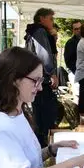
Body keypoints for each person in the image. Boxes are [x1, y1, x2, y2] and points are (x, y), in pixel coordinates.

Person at [24, 8, 59, 147]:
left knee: (40, 113)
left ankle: (41, 142)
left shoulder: (35, 31)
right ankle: (43, 144)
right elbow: (44, 56)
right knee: (46, 115)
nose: (52, 22)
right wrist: (52, 75)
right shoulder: (40, 32)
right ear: (42, 18)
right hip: (42, 80)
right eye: (50, 18)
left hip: (37, 79)